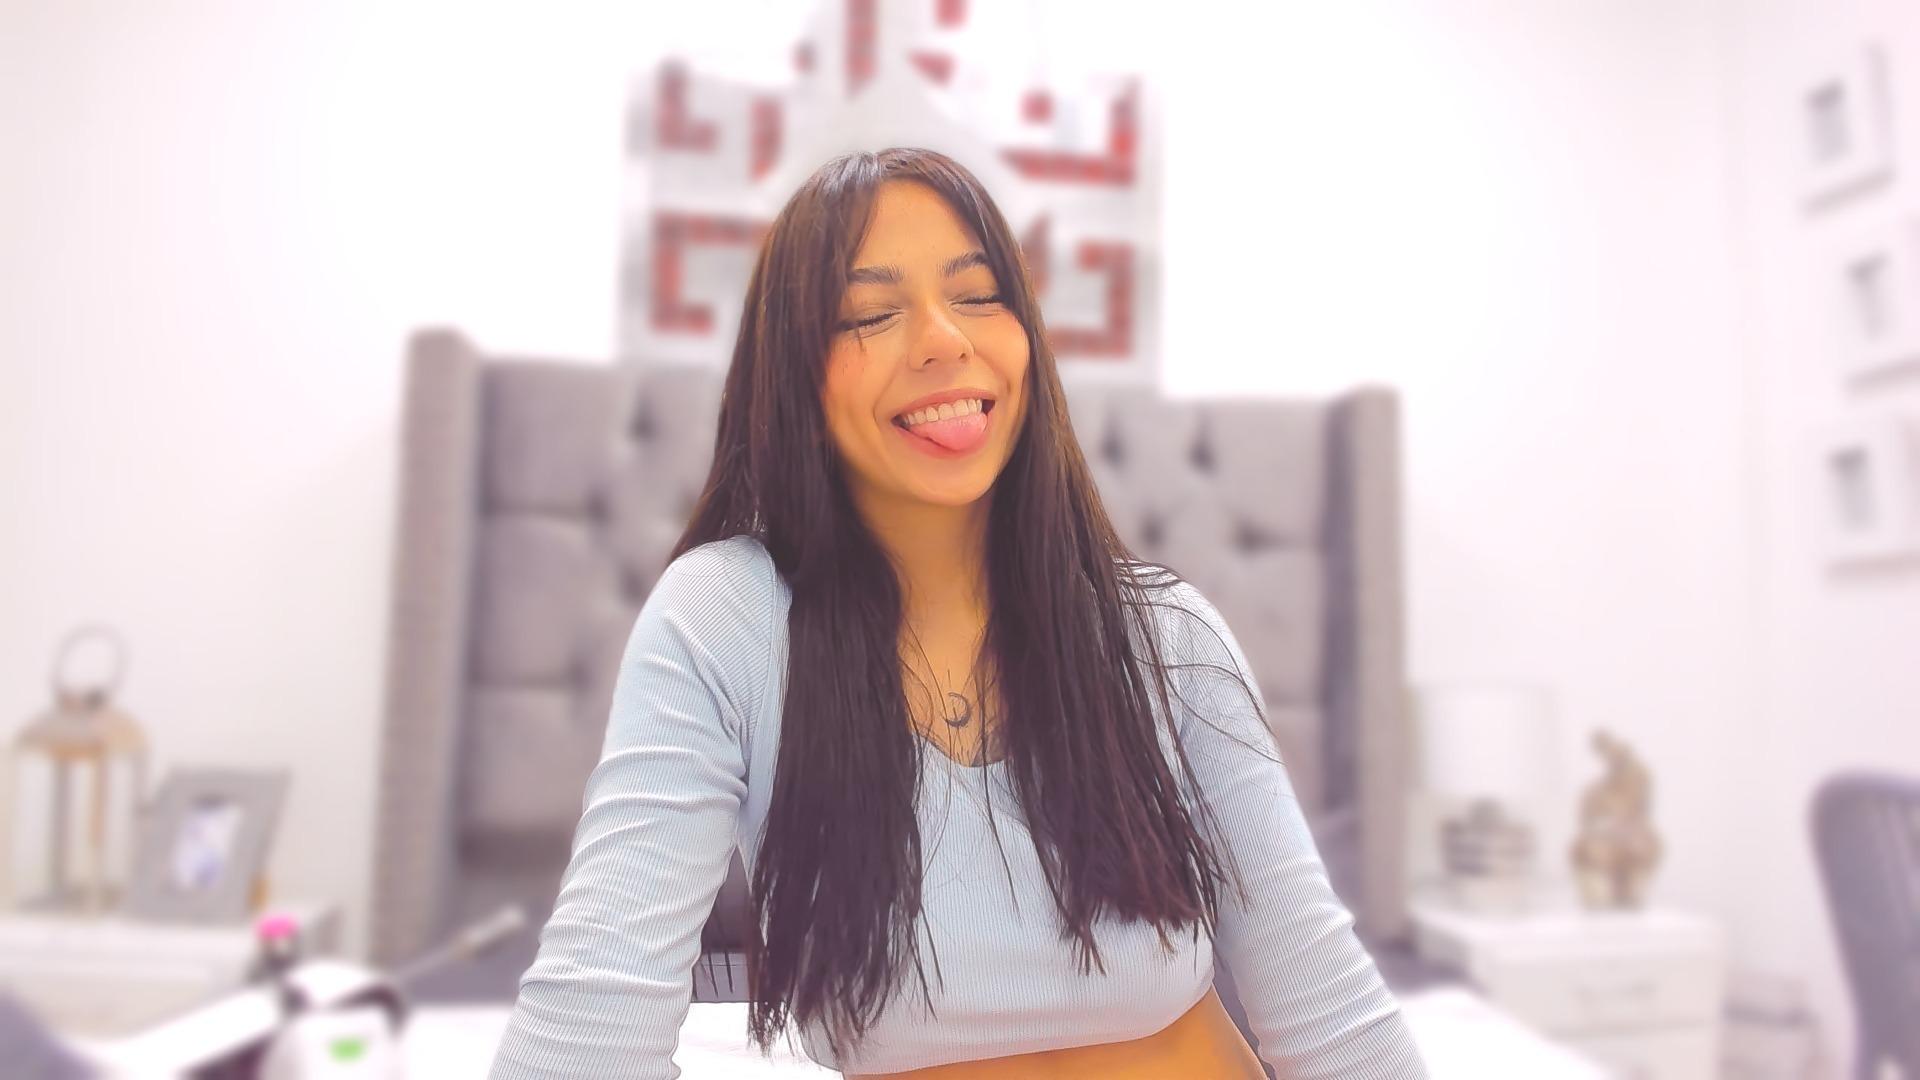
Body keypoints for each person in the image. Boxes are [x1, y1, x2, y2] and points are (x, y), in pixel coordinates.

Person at [487, 147, 1429, 1079]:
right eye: (870, 314)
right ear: (795, 376)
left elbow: (1333, 1013)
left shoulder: (1165, 637)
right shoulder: (727, 619)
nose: (944, 339)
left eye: (979, 296)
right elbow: (581, 1044)